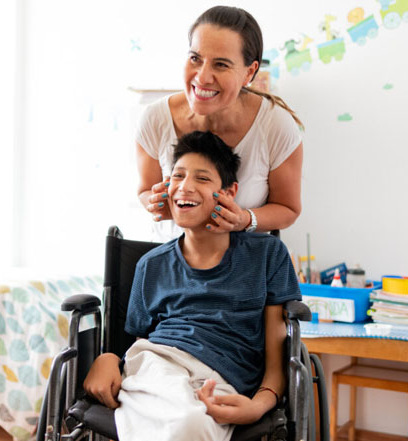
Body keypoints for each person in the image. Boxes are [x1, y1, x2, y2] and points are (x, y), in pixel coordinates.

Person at [85, 131, 301, 441]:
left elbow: (277, 355)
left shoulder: (267, 254)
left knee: (192, 425)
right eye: (177, 177)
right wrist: (107, 359)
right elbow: (135, 341)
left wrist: (258, 405)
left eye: (202, 178)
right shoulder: (151, 265)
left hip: (225, 380)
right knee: (187, 423)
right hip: (158, 367)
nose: (185, 187)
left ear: (229, 192)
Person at [137, 5, 304, 242]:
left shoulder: (275, 126)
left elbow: (288, 209)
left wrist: (244, 220)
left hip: (244, 271)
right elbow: (145, 190)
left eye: (221, 64)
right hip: (172, 267)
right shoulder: (154, 119)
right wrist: (154, 203)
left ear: (249, 72)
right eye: (195, 58)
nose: (202, 77)